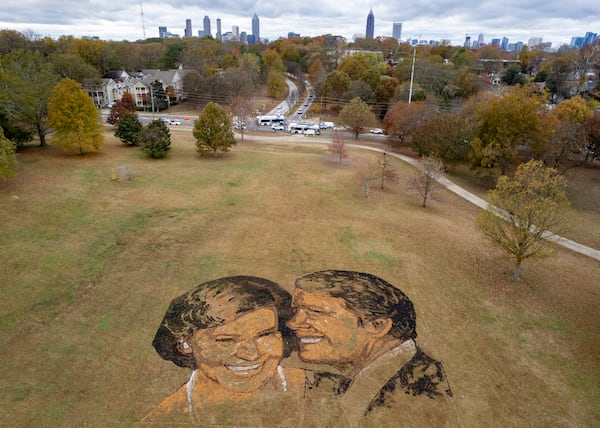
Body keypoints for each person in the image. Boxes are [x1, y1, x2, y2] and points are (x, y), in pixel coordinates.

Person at [287, 270, 454, 427]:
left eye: (316, 311)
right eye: (296, 310)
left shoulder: (419, 394)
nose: (293, 323)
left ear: (377, 325)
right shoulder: (387, 378)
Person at [142, 276, 305, 425]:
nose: (251, 354)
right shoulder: (164, 420)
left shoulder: (322, 388)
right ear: (185, 344)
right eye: (226, 340)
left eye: (265, 335)